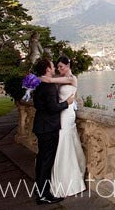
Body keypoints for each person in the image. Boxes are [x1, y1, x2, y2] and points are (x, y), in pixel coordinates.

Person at [39, 55, 87, 197]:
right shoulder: (61, 79)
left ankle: (68, 180)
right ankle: (59, 178)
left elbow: (48, 79)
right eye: (57, 67)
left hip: (67, 114)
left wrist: (34, 79)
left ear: (68, 65)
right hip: (59, 112)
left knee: (65, 142)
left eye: (61, 66)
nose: (59, 69)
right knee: (61, 142)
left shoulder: (71, 78)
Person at [31, 58, 74, 205]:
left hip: (40, 125)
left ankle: (39, 189)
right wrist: (66, 103)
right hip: (48, 128)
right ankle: (44, 195)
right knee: (46, 161)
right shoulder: (48, 87)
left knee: (41, 159)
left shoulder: (39, 84)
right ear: (48, 69)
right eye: (52, 66)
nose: (54, 68)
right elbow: (53, 108)